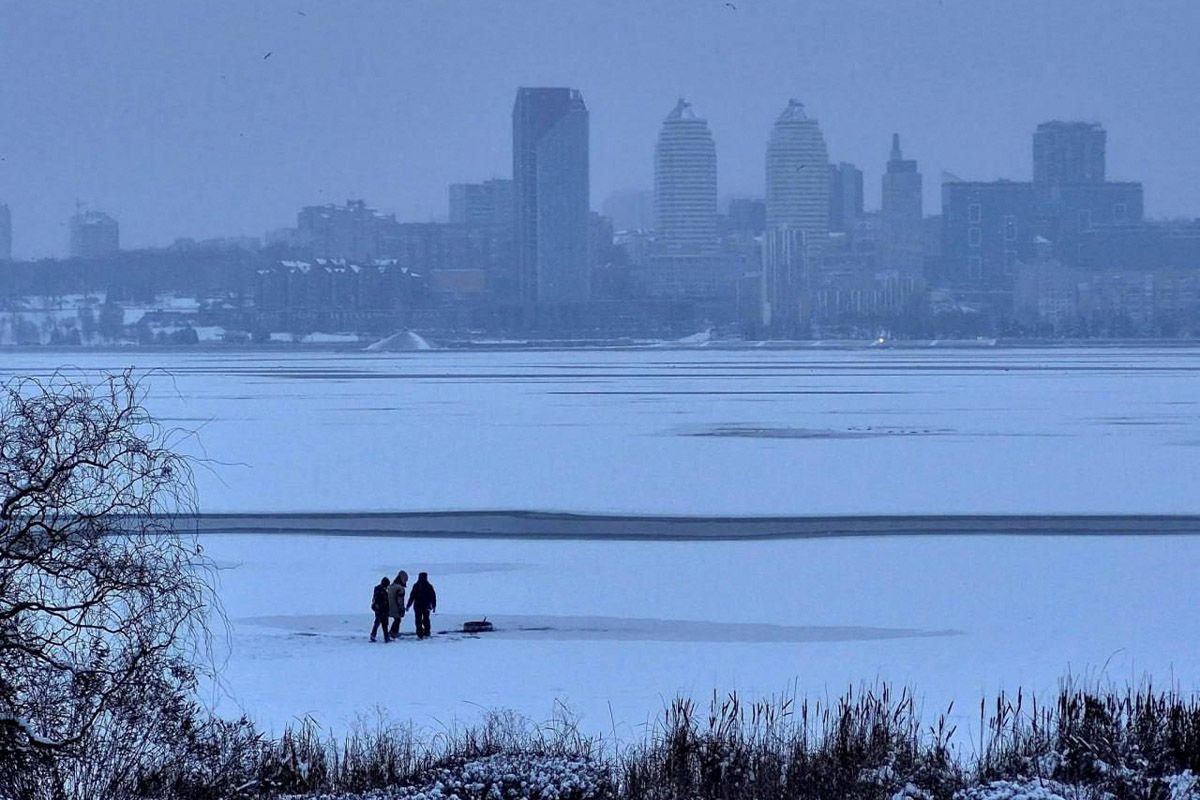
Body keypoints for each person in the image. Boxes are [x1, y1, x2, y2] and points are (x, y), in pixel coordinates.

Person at [405, 572, 437, 639]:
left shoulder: (416, 586)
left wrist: (408, 606)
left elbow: (412, 596)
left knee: (418, 620)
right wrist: (434, 606)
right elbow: (433, 597)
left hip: (418, 606)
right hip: (426, 606)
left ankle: (420, 633)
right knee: (426, 619)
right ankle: (427, 632)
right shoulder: (429, 586)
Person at [369, 576, 391, 642]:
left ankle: (376, 636)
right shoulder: (380, 590)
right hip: (381, 609)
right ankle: (385, 637)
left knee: (381, 623)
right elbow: (379, 600)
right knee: (381, 623)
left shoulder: (379, 589)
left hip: (381, 609)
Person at [387, 570, 408, 639]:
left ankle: (391, 632)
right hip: (396, 607)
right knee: (397, 620)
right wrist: (402, 608)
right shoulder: (400, 588)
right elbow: (400, 600)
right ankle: (394, 633)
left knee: (396, 620)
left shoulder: (390, 586)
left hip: (389, 607)